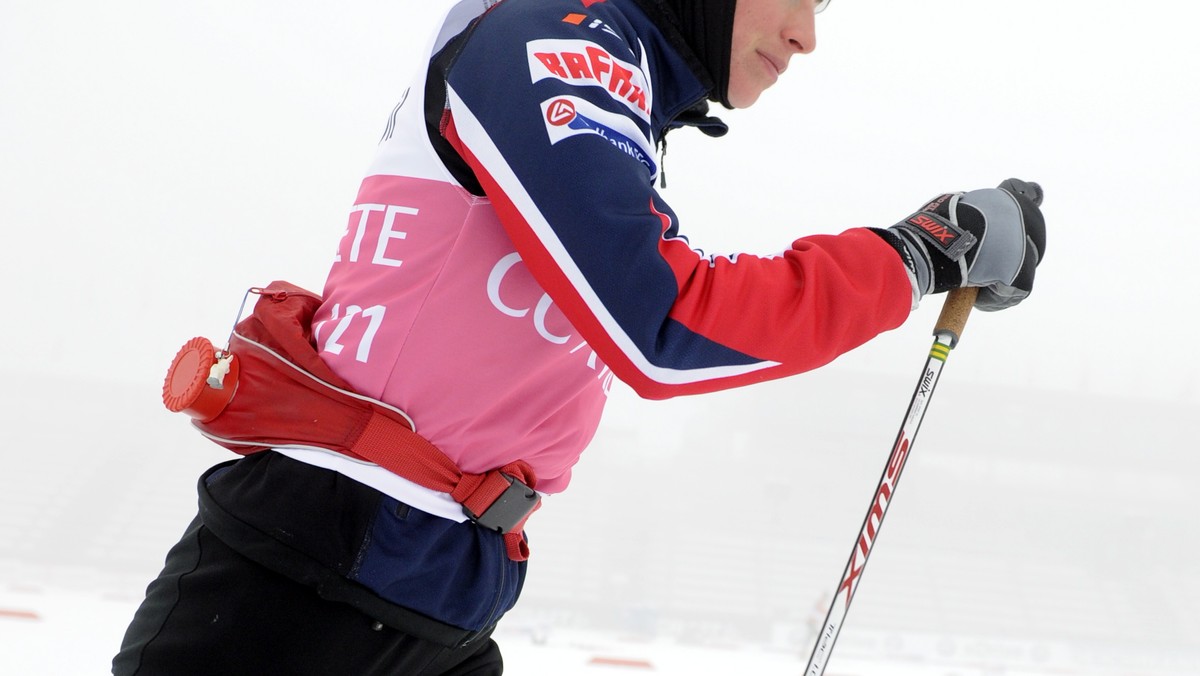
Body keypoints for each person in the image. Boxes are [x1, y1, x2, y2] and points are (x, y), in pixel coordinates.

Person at [114, 0, 1046, 673]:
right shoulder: (549, 35)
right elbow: (660, 325)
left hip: (433, 589)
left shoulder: (614, 77)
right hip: (306, 577)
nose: (808, 32)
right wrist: (918, 256)